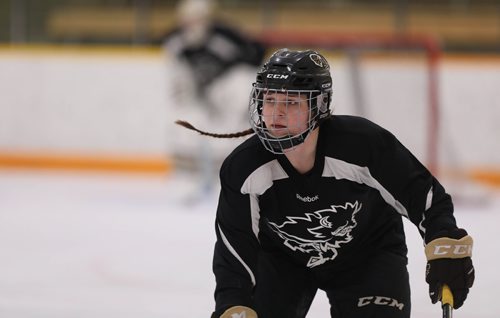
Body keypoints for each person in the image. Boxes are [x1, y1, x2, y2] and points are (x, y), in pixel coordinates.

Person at [177, 49, 475, 317]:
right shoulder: (244, 168)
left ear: (320, 105)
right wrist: (233, 303)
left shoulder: (363, 145)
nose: (276, 113)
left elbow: (423, 195)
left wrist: (444, 242)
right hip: (282, 261)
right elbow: (235, 247)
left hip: (368, 257)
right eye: (269, 100)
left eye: (291, 102)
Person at [163, 0, 266, 198]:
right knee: (191, 128)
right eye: (188, 20)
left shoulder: (225, 37)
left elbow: (254, 57)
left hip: (229, 89)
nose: (192, 25)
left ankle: (239, 174)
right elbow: (178, 73)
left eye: (198, 20)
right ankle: (195, 177)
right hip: (202, 93)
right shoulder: (176, 42)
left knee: (231, 131)